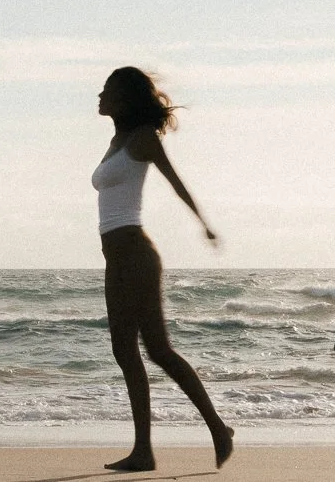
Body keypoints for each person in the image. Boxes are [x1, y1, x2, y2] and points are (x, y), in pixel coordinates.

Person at [92, 66, 233, 472]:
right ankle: (143, 451)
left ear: (124, 98)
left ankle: (218, 428)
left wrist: (203, 223)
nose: (99, 96)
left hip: (136, 255)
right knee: (124, 351)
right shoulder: (117, 138)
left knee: (158, 350)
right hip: (115, 259)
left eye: (106, 91)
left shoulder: (142, 139)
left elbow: (176, 182)